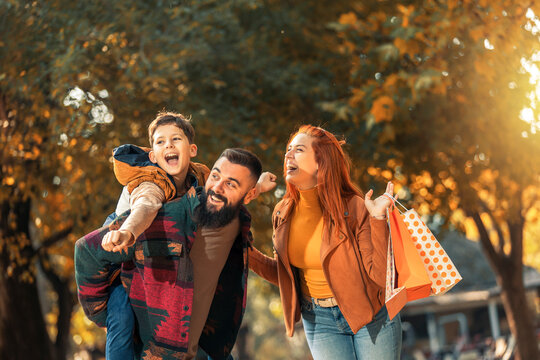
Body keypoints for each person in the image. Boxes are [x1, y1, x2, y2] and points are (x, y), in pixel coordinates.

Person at [75, 148, 268, 359]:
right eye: (215, 176)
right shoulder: (164, 217)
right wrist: (108, 318)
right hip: (154, 352)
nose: (217, 188)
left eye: (231, 184)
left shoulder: (239, 226)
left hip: (204, 351)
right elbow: (87, 251)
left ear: (249, 194)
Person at [249, 125, 402, 360]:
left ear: (321, 162)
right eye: (288, 150)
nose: (288, 155)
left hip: (370, 313)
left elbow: (380, 276)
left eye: (298, 150)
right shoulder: (283, 212)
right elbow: (284, 275)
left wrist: (378, 218)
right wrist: (245, 252)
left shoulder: (354, 207)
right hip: (319, 321)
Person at [98, 111, 209, 360]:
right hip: (124, 263)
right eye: (160, 142)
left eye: (175, 139)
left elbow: (225, 194)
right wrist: (127, 231)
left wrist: (253, 189)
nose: (168, 145)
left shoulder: (200, 177)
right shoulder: (149, 182)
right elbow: (145, 208)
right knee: (122, 318)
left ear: (192, 149)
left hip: (164, 266)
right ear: (153, 155)